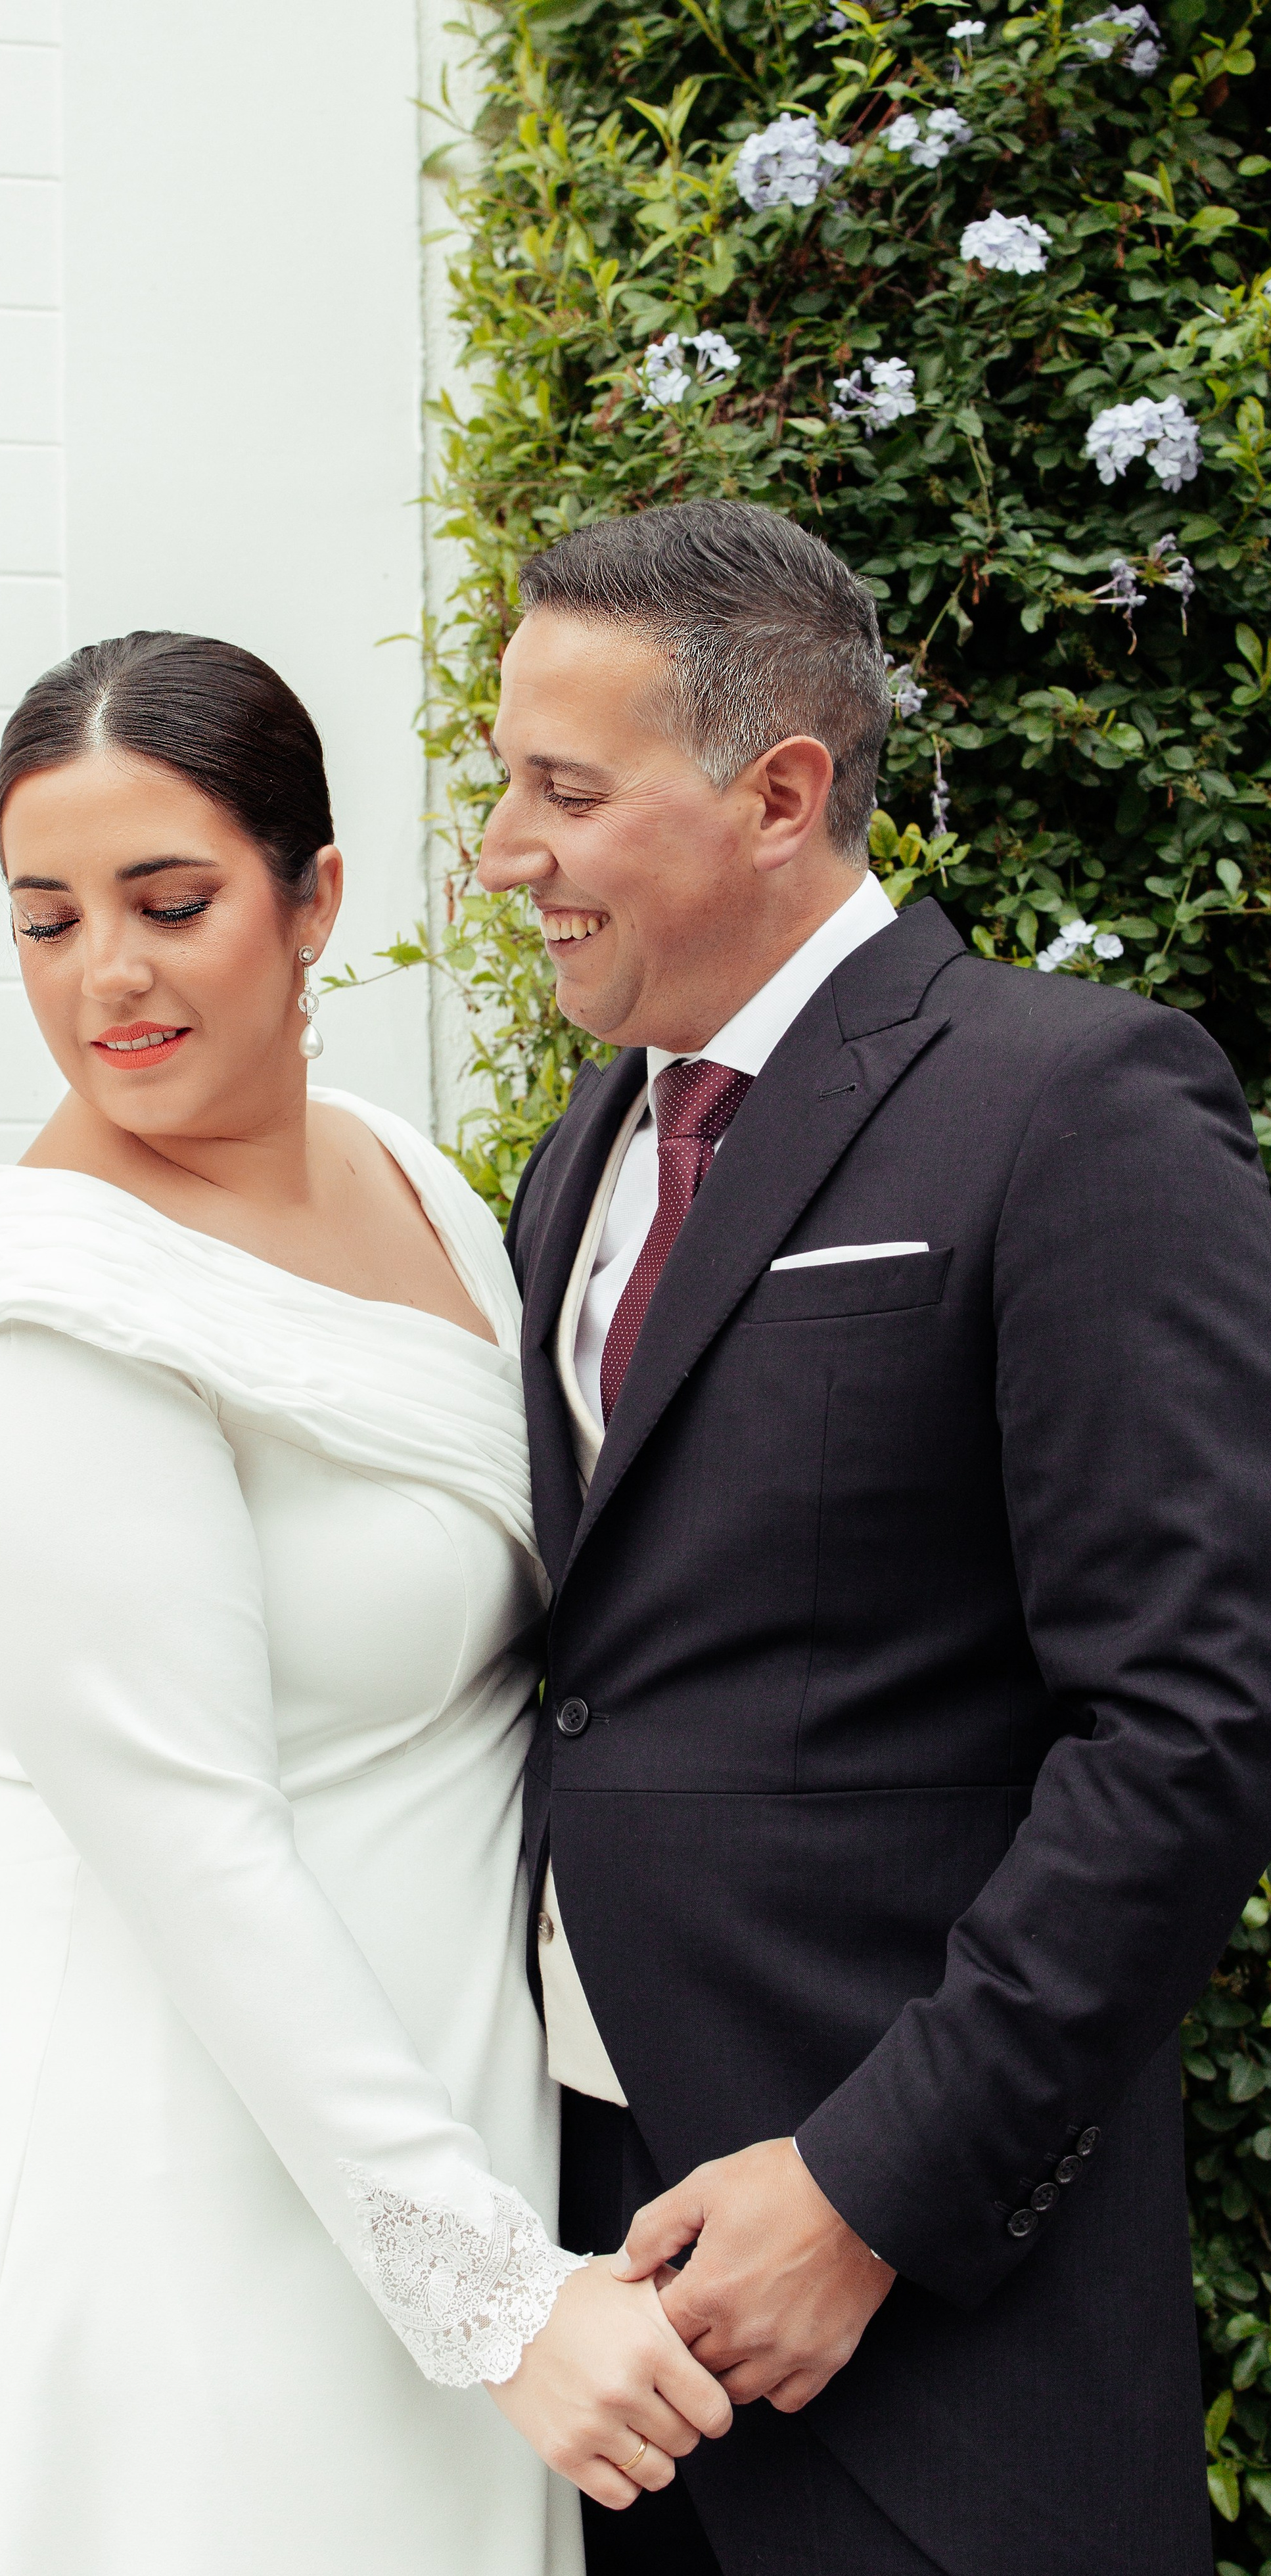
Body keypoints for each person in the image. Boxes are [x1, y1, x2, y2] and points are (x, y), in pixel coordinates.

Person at [0, 631, 732, 2576]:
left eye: (169, 901)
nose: (104, 976)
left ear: (318, 902)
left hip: (442, 2122)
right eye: (46, 920)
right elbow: (196, 1851)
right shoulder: (35, 1317)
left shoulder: (415, 1182)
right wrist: (491, 2294)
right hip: (179, 2170)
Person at [482, 497, 1271, 2576]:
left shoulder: (1074, 1100)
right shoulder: (583, 1155)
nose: (505, 854)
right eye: (503, 789)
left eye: (564, 792)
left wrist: (868, 2192)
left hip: (931, 2326)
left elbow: (1191, 1722)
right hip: (610, 2306)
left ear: (781, 793)